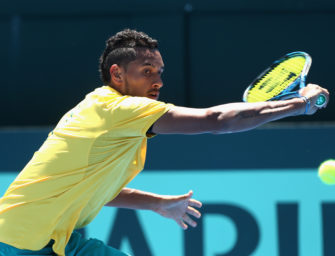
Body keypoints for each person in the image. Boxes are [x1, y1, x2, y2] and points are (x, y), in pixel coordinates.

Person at [0, 29, 329, 256]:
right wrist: (302, 104)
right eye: (146, 71)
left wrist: (157, 203)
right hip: (17, 241)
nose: (157, 80)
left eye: (159, 71)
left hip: (53, 238)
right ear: (117, 74)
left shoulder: (109, 117)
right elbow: (216, 120)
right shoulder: (118, 109)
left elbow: (92, 187)